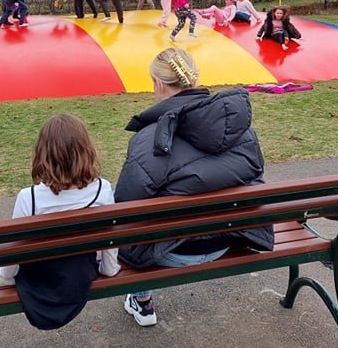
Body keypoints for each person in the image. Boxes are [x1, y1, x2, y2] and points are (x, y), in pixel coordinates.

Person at [114, 48, 273, 327]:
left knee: (129, 228)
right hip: (228, 240)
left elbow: (125, 210)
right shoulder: (243, 130)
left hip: (172, 252)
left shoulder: (147, 141)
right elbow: (254, 177)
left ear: (160, 84)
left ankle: (141, 300)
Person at [0, 114, 119, 330]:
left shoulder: (30, 198)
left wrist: (4, 276)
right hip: (81, 274)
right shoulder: (102, 189)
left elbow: (14, 255)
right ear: (86, 150)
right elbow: (110, 241)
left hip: (41, 276)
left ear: (42, 154)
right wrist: (110, 269)